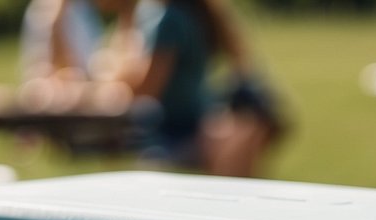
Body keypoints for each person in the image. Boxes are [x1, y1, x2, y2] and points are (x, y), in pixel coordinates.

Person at [104, 0, 283, 176]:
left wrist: (110, 79)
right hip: (201, 116)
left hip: (178, 131)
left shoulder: (170, 20)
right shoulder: (191, 11)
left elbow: (147, 89)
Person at [20, 0, 105, 82]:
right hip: (52, 82)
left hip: (84, 78)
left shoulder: (83, 8)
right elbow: (49, 64)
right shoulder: (43, 9)